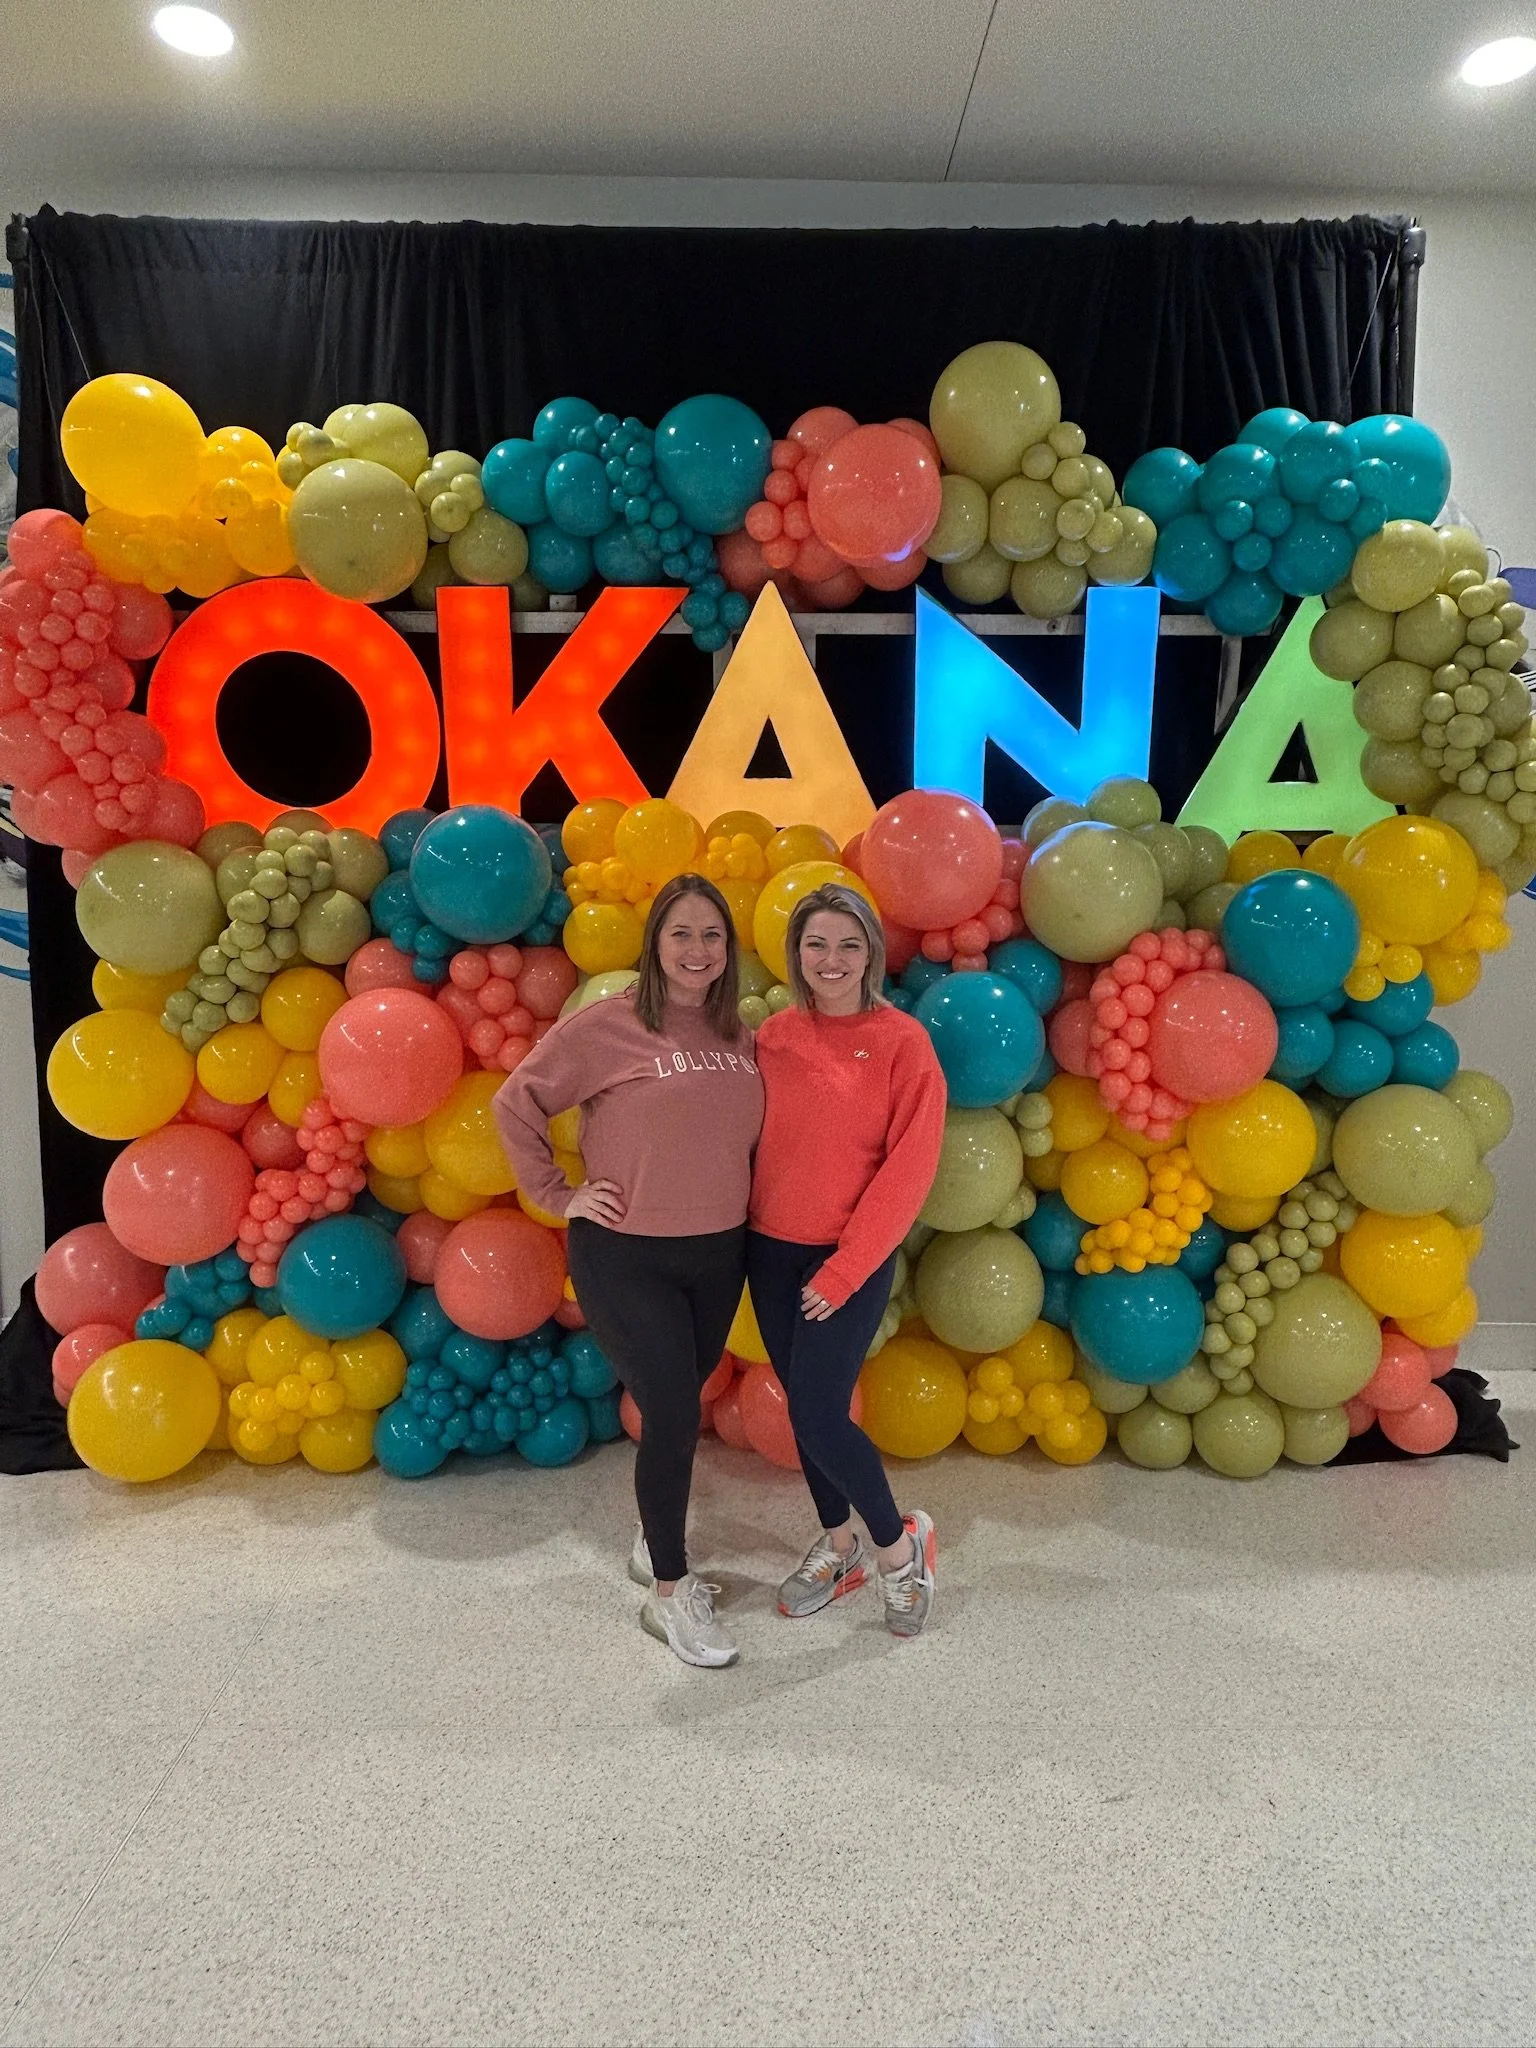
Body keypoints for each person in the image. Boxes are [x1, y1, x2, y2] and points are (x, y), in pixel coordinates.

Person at [494, 874, 764, 1669]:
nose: (697, 950)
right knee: (676, 1411)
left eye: (712, 935)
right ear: (654, 944)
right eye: (681, 933)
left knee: (686, 1395)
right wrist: (556, 1194)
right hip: (626, 1255)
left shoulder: (739, 1036)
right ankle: (671, 1597)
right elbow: (517, 1103)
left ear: (728, 950)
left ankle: (657, 1532)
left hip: (719, 1253)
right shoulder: (608, 1024)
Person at [747, 882, 947, 1637]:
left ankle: (901, 1552)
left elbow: (910, 1168)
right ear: (797, 954)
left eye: (848, 944)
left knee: (817, 1410)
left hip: (847, 1260)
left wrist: (844, 1269)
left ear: (872, 952)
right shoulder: (773, 1038)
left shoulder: (902, 1042)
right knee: (802, 1410)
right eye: (816, 944)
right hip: (767, 1251)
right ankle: (839, 1548)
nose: (831, 960)